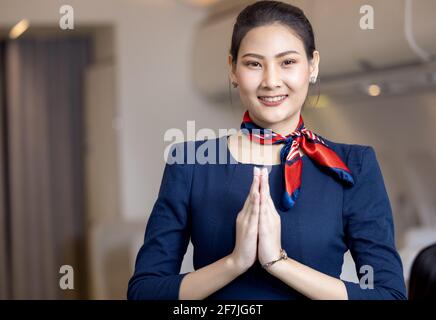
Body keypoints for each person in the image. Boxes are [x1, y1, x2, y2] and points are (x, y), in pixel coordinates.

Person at [127, 0, 406, 300]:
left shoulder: (353, 166)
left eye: (287, 62)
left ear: (313, 66)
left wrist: (278, 263)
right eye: (253, 64)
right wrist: (235, 262)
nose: (271, 81)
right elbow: (145, 292)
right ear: (232, 69)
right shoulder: (191, 164)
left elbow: (388, 295)